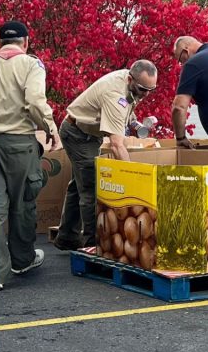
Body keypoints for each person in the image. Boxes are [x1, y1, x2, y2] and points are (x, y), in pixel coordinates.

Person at [0, 20, 60, 295]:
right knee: (23, 204)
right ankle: (23, 260)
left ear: (0, 42)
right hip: (19, 144)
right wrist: (51, 129)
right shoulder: (31, 65)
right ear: (26, 42)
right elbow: (34, 101)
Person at [54, 60, 158, 251]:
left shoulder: (131, 83)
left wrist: (135, 124)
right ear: (130, 79)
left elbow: (127, 109)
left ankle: (67, 237)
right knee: (91, 188)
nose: (147, 94)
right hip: (77, 134)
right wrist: (134, 179)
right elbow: (117, 145)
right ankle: (92, 245)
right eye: (144, 89)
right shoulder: (114, 94)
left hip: (90, 134)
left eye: (152, 89)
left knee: (78, 185)